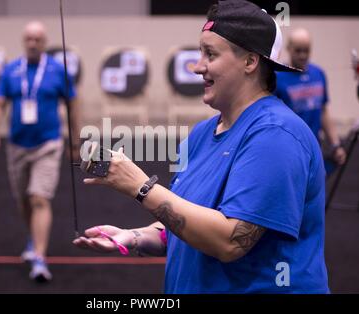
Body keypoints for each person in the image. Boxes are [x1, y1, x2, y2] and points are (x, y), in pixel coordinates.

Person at [73, 0, 329, 293]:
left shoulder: (276, 135)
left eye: (210, 54)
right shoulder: (201, 135)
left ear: (249, 61)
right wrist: (133, 236)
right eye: (200, 52)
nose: (197, 66)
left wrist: (140, 187)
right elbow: (187, 224)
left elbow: (231, 240)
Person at [0, 21, 80, 282]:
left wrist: (75, 142)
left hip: (48, 144)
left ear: (45, 42)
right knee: (23, 201)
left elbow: (73, 104)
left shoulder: (59, 70)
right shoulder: (11, 70)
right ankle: (33, 238)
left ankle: (39, 257)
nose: (33, 43)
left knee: (39, 197)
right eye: (29, 39)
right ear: (23, 41)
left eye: (38, 39)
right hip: (16, 145)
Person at [275, 28, 346, 172]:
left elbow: (323, 111)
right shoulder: (277, 77)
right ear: (289, 48)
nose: (303, 55)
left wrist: (335, 145)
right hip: (288, 152)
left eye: (306, 50)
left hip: (314, 149)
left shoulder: (318, 74)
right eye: (298, 50)